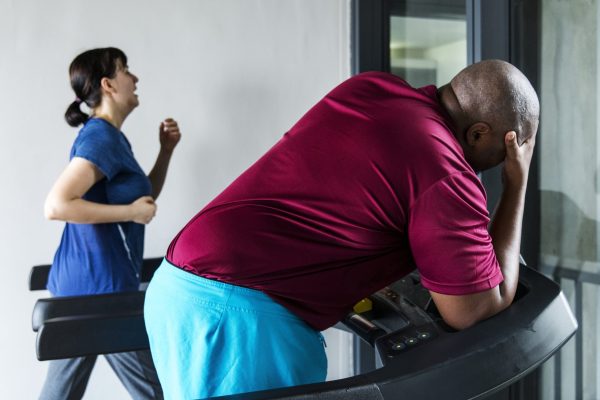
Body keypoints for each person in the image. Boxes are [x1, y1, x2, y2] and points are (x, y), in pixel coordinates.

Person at [144, 59, 539, 399]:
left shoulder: (371, 88)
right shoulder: (445, 170)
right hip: (236, 318)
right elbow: (472, 309)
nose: (502, 160)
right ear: (477, 133)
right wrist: (516, 183)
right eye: (509, 148)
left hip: (179, 288)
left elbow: (346, 197)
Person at [41, 47, 181, 400]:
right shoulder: (100, 136)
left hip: (98, 287)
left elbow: (143, 198)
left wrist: (165, 152)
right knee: (154, 393)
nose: (135, 79)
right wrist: (130, 214)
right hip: (97, 291)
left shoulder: (112, 137)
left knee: (63, 392)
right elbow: (57, 205)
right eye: (126, 70)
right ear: (108, 84)